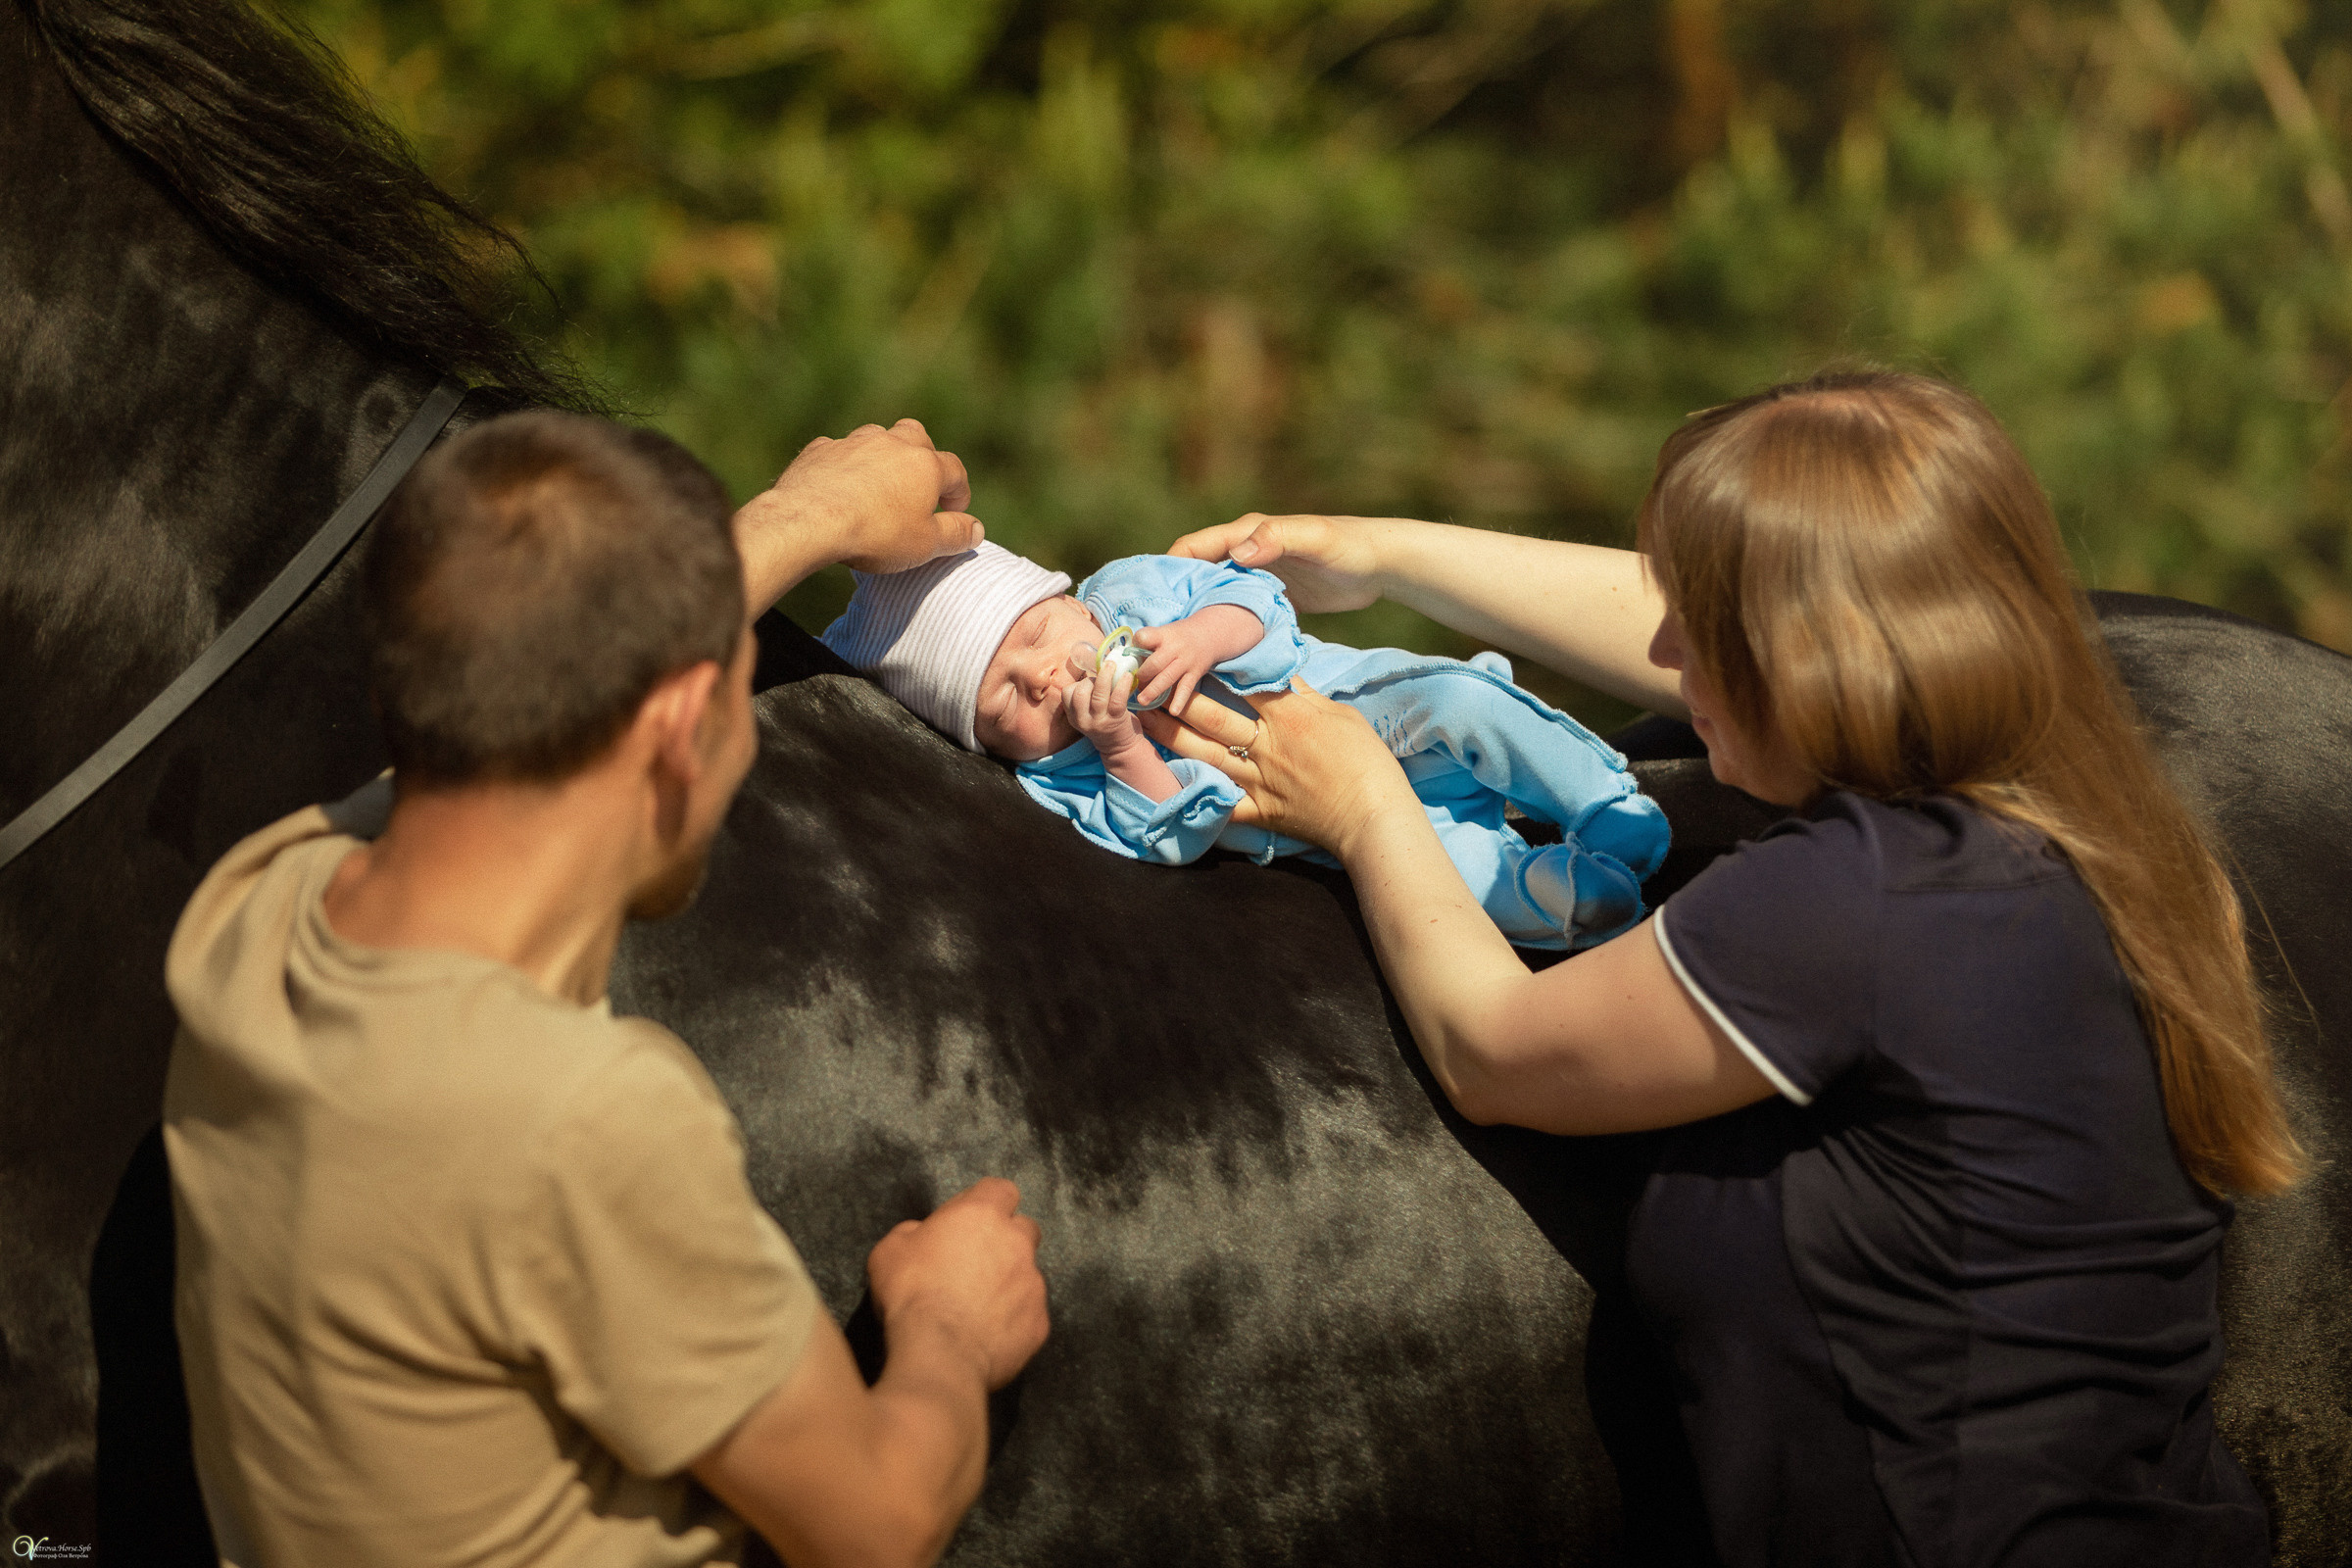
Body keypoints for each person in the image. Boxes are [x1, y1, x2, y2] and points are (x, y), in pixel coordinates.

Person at [1144, 369, 2305, 1564]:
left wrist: (1364, 801)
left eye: (1706, 613)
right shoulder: (2092, 827)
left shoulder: (1849, 898)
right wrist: (1379, 554)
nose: (1659, 642)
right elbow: (1719, 646)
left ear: (1816, 655)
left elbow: (1493, 1051)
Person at [164, 413, 1049, 1568]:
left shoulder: (257, 909)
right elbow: (878, 1524)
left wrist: (810, 517)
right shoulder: (583, 1122)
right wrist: (947, 1330)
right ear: (684, 726)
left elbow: (529, 687)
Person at [816, 543, 1668, 948]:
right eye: (1003, 698)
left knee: (1464, 702)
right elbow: (1171, 834)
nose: (1043, 676)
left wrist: (1200, 637)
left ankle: (1604, 800)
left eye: (1036, 631)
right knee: (1448, 881)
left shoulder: (1135, 593)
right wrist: (1121, 750)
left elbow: (1258, 603)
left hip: (1377, 714)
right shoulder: (1059, 782)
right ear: (988, 745)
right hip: (1338, 826)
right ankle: (1563, 896)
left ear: (1069, 597)